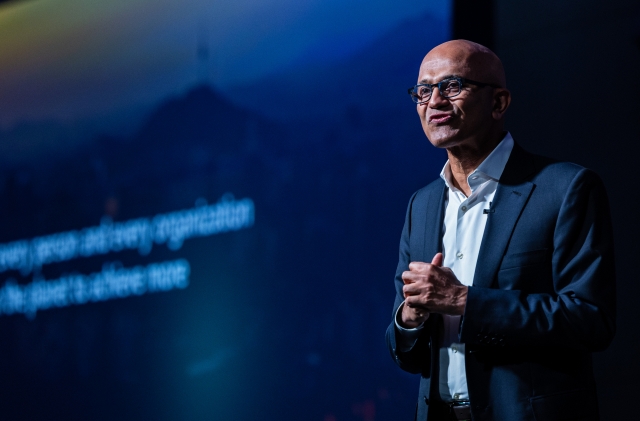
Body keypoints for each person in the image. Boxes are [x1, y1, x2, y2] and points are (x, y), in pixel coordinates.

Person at [385, 40, 615, 421]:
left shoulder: (565, 188)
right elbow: (405, 352)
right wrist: (410, 318)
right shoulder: (421, 205)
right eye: (423, 92)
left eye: (452, 86)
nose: (434, 101)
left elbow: (591, 320)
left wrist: (463, 301)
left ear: (499, 103)